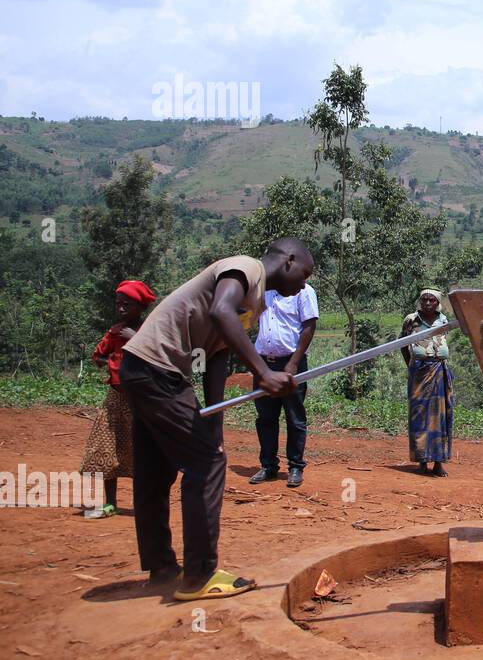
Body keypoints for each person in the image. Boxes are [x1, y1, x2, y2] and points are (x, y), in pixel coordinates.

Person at [118, 238, 313, 601]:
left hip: (142, 367)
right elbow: (220, 313)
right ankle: (199, 575)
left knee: (155, 471)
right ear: (288, 260)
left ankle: (162, 569)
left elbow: (216, 359)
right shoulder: (247, 268)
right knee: (206, 465)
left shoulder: (252, 304)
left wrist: (215, 425)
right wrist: (262, 373)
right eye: (305, 273)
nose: (304, 283)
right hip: (159, 370)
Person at [78, 280, 157, 519]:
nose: (121, 308)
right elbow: (98, 356)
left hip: (141, 401)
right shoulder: (113, 332)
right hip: (115, 400)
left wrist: (134, 338)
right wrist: (112, 361)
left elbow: (158, 357)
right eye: (118, 303)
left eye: (127, 304)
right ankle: (110, 502)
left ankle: (144, 505)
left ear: (140, 308)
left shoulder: (149, 331)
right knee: (106, 449)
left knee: (140, 452)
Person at [249, 282, 318, 488]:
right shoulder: (262, 291)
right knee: (265, 418)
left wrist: (294, 362)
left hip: (291, 363)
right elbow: (247, 318)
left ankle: (296, 466)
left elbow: (309, 325)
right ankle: (268, 465)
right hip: (263, 364)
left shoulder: (304, 290)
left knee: (295, 418)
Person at [400, 289, 454, 477]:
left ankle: (438, 462)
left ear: (437, 302)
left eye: (432, 300)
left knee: (440, 417)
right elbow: (402, 344)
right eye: (425, 299)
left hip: (440, 371)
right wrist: (412, 365)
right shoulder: (411, 320)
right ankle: (422, 461)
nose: (428, 303)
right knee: (419, 415)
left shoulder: (443, 320)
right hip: (419, 373)